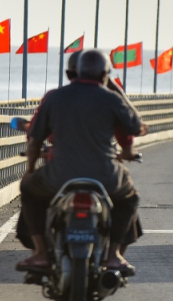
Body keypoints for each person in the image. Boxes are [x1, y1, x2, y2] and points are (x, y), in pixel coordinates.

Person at [17, 50, 147, 274]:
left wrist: (29, 170)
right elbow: (136, 129)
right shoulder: (111, 99)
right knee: (129, 197)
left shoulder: (55, 97)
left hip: (58, 175)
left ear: (74, 72)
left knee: (29, 189)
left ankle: (39, 253)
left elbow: (34, 140)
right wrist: (117, 92)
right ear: (105, 74)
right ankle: (114, 255)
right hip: (106, 177)